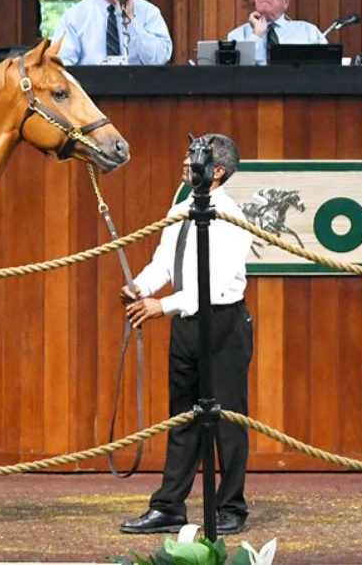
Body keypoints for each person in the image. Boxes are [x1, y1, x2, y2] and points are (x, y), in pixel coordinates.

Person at [118, 134, 255, 536]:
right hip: (187, 328)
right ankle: (169, 506)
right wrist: (142, 288)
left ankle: (231, 508)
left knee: (227, 419)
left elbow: (213, 283)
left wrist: (163, 306)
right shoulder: (180, 208)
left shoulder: (232, 217)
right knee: (182, 418)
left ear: (217, 172)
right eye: (187, 152)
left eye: (196, 157)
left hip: (223, 325)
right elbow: (165, 261)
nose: (186, 160)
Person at [224, 0, 326, 65]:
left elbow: (328, 69)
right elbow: (237, 73)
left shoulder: (308, 32)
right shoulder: (238, 35)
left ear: (286, 2)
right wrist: (257, 35)